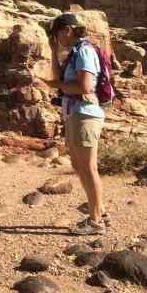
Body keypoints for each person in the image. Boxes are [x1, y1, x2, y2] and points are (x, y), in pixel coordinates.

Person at [34, 12, 108, 236]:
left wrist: (49, 84)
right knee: (79, 166)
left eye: (58, 35)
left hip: (85, 113)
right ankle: (100, 211)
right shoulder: (73, 53)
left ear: (67, 30)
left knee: (88, 167)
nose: (57, 40)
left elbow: (85, 87)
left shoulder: (84, 51)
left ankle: (96, 222)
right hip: (76, 113)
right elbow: (61, 81)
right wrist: (54, 50)